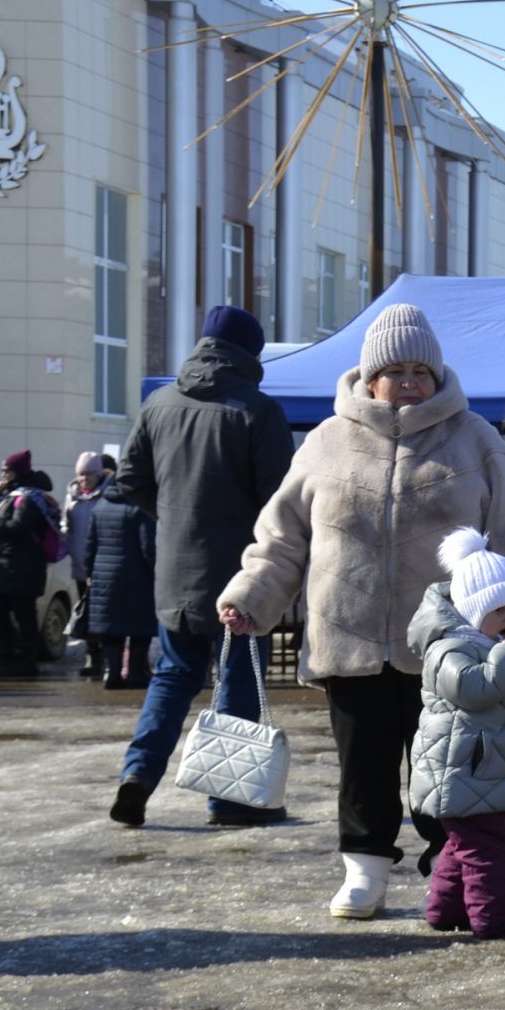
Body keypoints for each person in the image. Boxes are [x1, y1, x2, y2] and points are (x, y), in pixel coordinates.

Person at [218, 304, 505, 915]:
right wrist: (251, 596)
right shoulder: (325, 442)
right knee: (363, 764)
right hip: (349, 633)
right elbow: (283, 536)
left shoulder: (475, 439)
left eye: (421, 369)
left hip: (451, 646)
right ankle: (364, 869)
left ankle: (445, 872)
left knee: (447, 765)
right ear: (370, 376)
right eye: (396, 369)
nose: (410, 381)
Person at [108, 305, 294, 829]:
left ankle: (138, 777)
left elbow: (129, 479)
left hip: (174, 573)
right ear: (251, 354)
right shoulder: (257, 411)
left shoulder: (158, 403)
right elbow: (279, 500)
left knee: (171, 678)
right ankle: (229, 800)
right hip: (241, 574)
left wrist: (171, 517)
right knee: (235, 681)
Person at [407, 528, 505, 940]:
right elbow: (477, 690)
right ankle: (497, 915)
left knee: (465, 845)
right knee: (486, 846)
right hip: (462, 768)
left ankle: (445, 908)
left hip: (481, 768)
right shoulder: (449, 648)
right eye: (500, 611)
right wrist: (501, 656)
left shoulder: (499, 646)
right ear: (472, 608)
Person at [0, 449, 59, 679]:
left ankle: (25, 662)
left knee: (24, 618)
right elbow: (1, 516)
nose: (2, 475)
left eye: (6, 471)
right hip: (3, 567)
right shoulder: (11, 493)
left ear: (18, 472)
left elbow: (17, 528)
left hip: (23, 569)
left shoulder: (30, 497)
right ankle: (4, 657)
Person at [83, 469, 156, 690]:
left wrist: (90, 573)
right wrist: (157, 571)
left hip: (104, 577)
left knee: (111, 630)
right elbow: (148, 548)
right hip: (137, 578)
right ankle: (135, 674)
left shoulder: (100, 506)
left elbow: (90, 546)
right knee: (139, 628)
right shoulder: (139, 509)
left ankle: (111, 674)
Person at [64, 452, 111, 678]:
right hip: (80, 565)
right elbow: (67, 526)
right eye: (80, 474)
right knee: (85, 614)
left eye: (89, 474)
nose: (84, 479)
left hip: (103, 566)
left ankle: (106, 659)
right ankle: (92, 656)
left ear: (99, 474)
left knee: (104, 615)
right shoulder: (72, 496)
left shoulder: (107, 495)